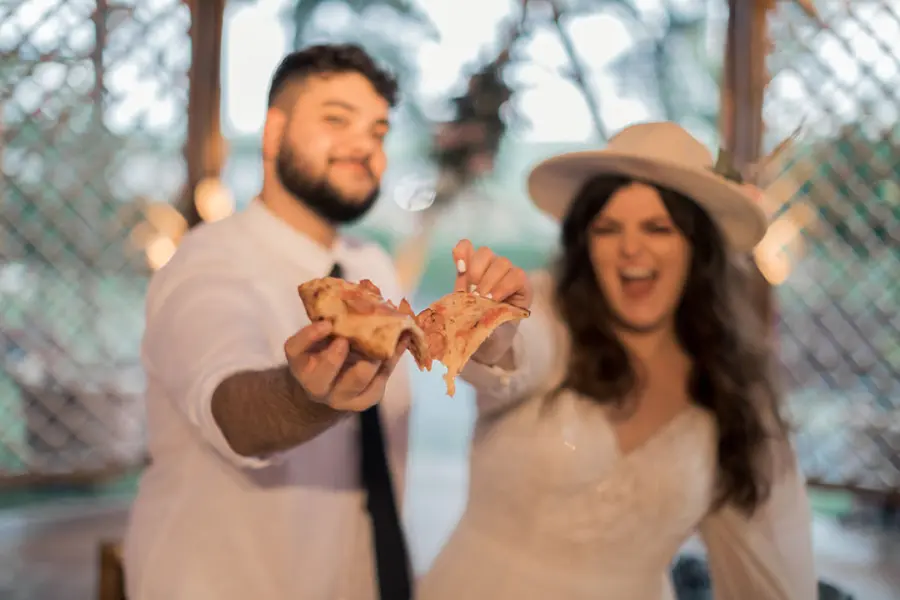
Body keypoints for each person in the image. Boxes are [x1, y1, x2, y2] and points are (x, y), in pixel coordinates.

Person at [419, 122, 817, 599]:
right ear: (586, 244)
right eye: (607, 228)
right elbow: (512, 354)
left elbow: (777, 561)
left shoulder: (734, 392)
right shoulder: (551, 316)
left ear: (698, 248)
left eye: (658, 227)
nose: (631, 248)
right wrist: (492, 334)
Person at [124, 44, 414, 600]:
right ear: (273, 132)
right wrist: (309, 395)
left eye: (378, 132)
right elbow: (233, 410)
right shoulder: (206, 264)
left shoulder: (372, 266)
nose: (364, 146)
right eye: (336, 120)